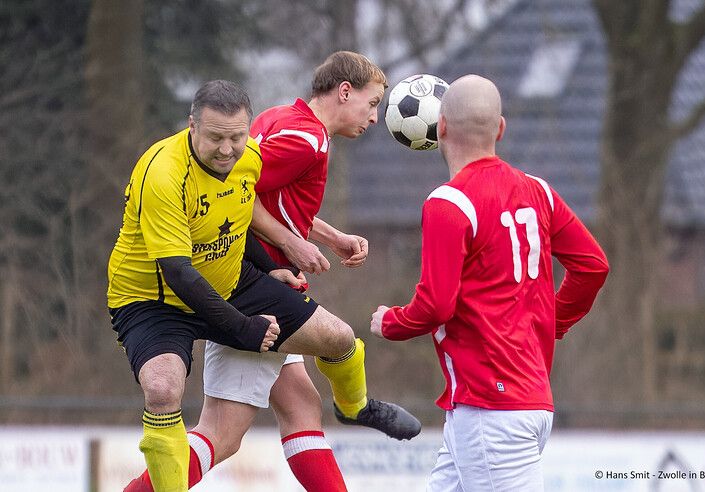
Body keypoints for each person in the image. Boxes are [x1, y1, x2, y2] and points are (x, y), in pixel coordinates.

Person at [123, 53, 421, 492]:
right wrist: (288, 243)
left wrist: (327, 236)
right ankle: (356, 405)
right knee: (221, 435)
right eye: (372, 102)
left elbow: (269, 199)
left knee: (300, 405)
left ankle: (353, 405)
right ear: (344, 91)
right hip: (251, 285)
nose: (375, 117)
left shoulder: (283, 117)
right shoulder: (308, 142)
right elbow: (239, 195)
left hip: (254, 276)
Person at [369, 75, 609, 491]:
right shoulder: (541, 192)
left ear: (439, 126)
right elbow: (592, 266)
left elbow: (436, 305)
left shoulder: (448, 202)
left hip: (492, 409)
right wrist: (553, 324)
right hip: (521, 401)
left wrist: (391, 321)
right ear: (501, 128)